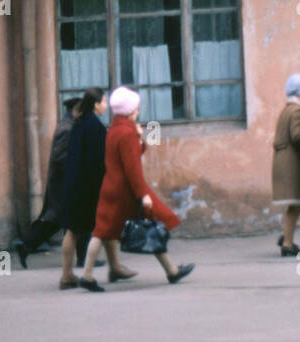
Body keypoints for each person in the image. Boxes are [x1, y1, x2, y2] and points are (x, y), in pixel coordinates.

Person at [80, 86, 194, 291]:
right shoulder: (127, 133)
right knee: (152, 226)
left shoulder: (114, 129)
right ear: (130, 110)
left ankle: (87, 275)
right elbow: (132, 168)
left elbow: (123, 158)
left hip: (110, 187)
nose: (138, 111)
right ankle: (171, 271)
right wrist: (143, 195)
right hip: (127, 191)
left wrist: (139, 138)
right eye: (136, 108)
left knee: (100, 232)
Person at [14, 96, 80, 268]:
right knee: (76, 219)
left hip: (62, 183)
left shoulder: (68, 126)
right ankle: (82, 259)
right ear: (76, 110)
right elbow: (60, 158)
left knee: (56, 221)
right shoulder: (67, 129)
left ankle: (26, 245)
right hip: (63, 184)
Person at [58, 87, 109, 290]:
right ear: (96, 104)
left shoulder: (78, 123)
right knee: (98, 228)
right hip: (87, 186)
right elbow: (97, 160)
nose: (106, 106)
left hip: (73, 183)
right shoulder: (95, 126)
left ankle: (67, 274)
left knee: (72, 230)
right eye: (104, 102)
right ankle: (84, 274)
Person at [271, 73, 300, 256]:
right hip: (292, 165)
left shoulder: (287, 109)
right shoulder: (298, 111)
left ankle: (285, 235)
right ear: (299, 93)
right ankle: (287, 243)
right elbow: (297, 136)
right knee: (297, 203)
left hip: (284, 162)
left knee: (296, 203)